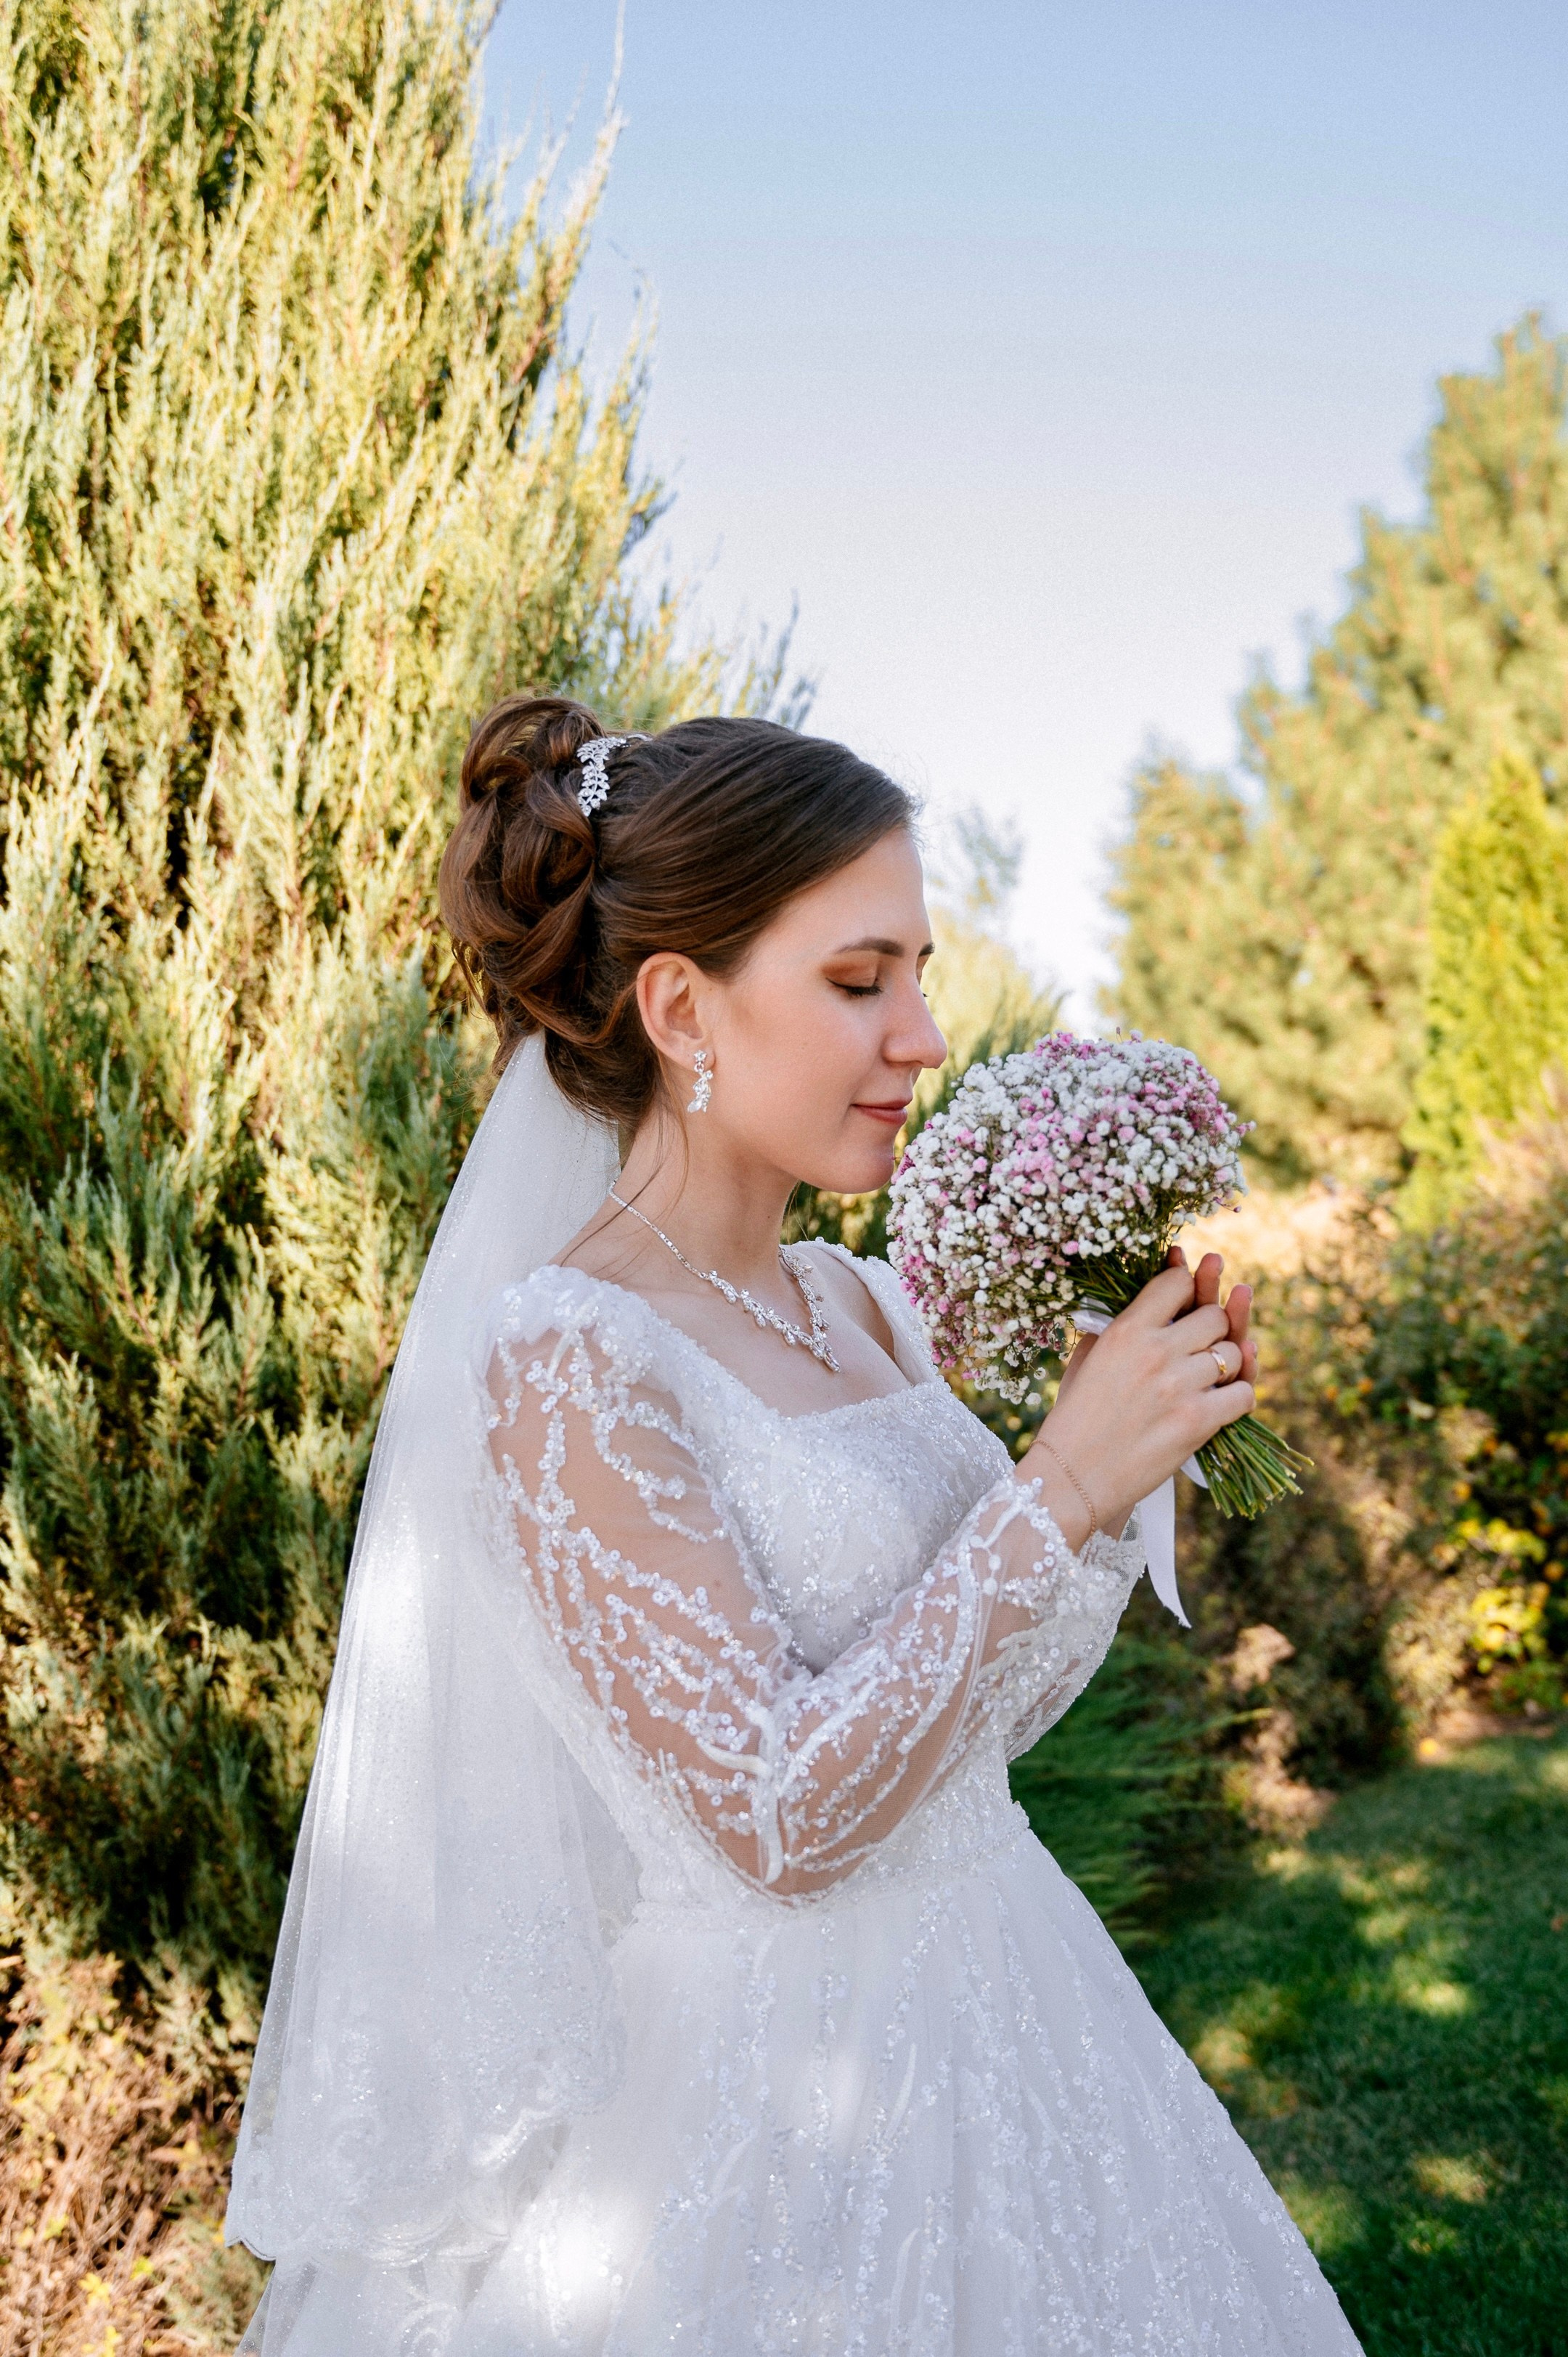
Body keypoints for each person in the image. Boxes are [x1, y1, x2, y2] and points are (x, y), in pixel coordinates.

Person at [226, 700, 1363, 2356]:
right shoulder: (569, 1360)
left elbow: (979, 1717)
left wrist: (1128, 1485)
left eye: (918, 973)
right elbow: (773, 1815)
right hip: (780, 2130)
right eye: (859, 981)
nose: (920, 1037)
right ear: (682, 1006)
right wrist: (1054, 1488)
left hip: (1019, 2006)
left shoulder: (858, 1300)